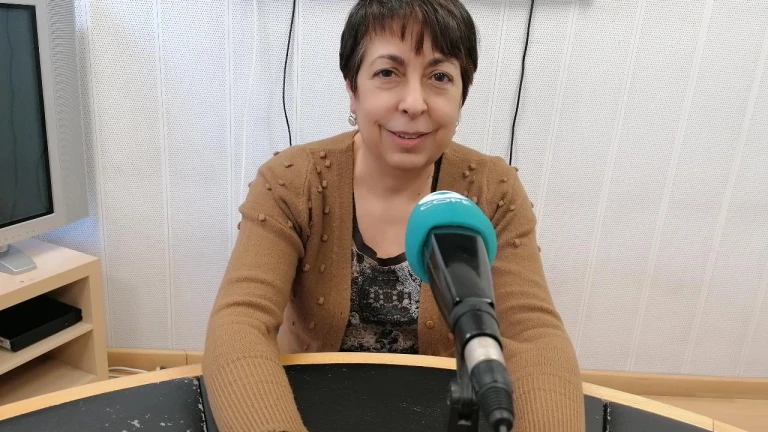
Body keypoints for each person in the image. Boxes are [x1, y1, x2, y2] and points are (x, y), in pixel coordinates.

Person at [203, 0, 585, 431]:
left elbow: (532, 335)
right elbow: (241, 321)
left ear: (462, 93)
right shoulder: (291, 181)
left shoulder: (491, 189)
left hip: (439, 412)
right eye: (388, 73)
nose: (414, 103)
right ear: (353, 88)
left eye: (439, 77)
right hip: (307, 409)